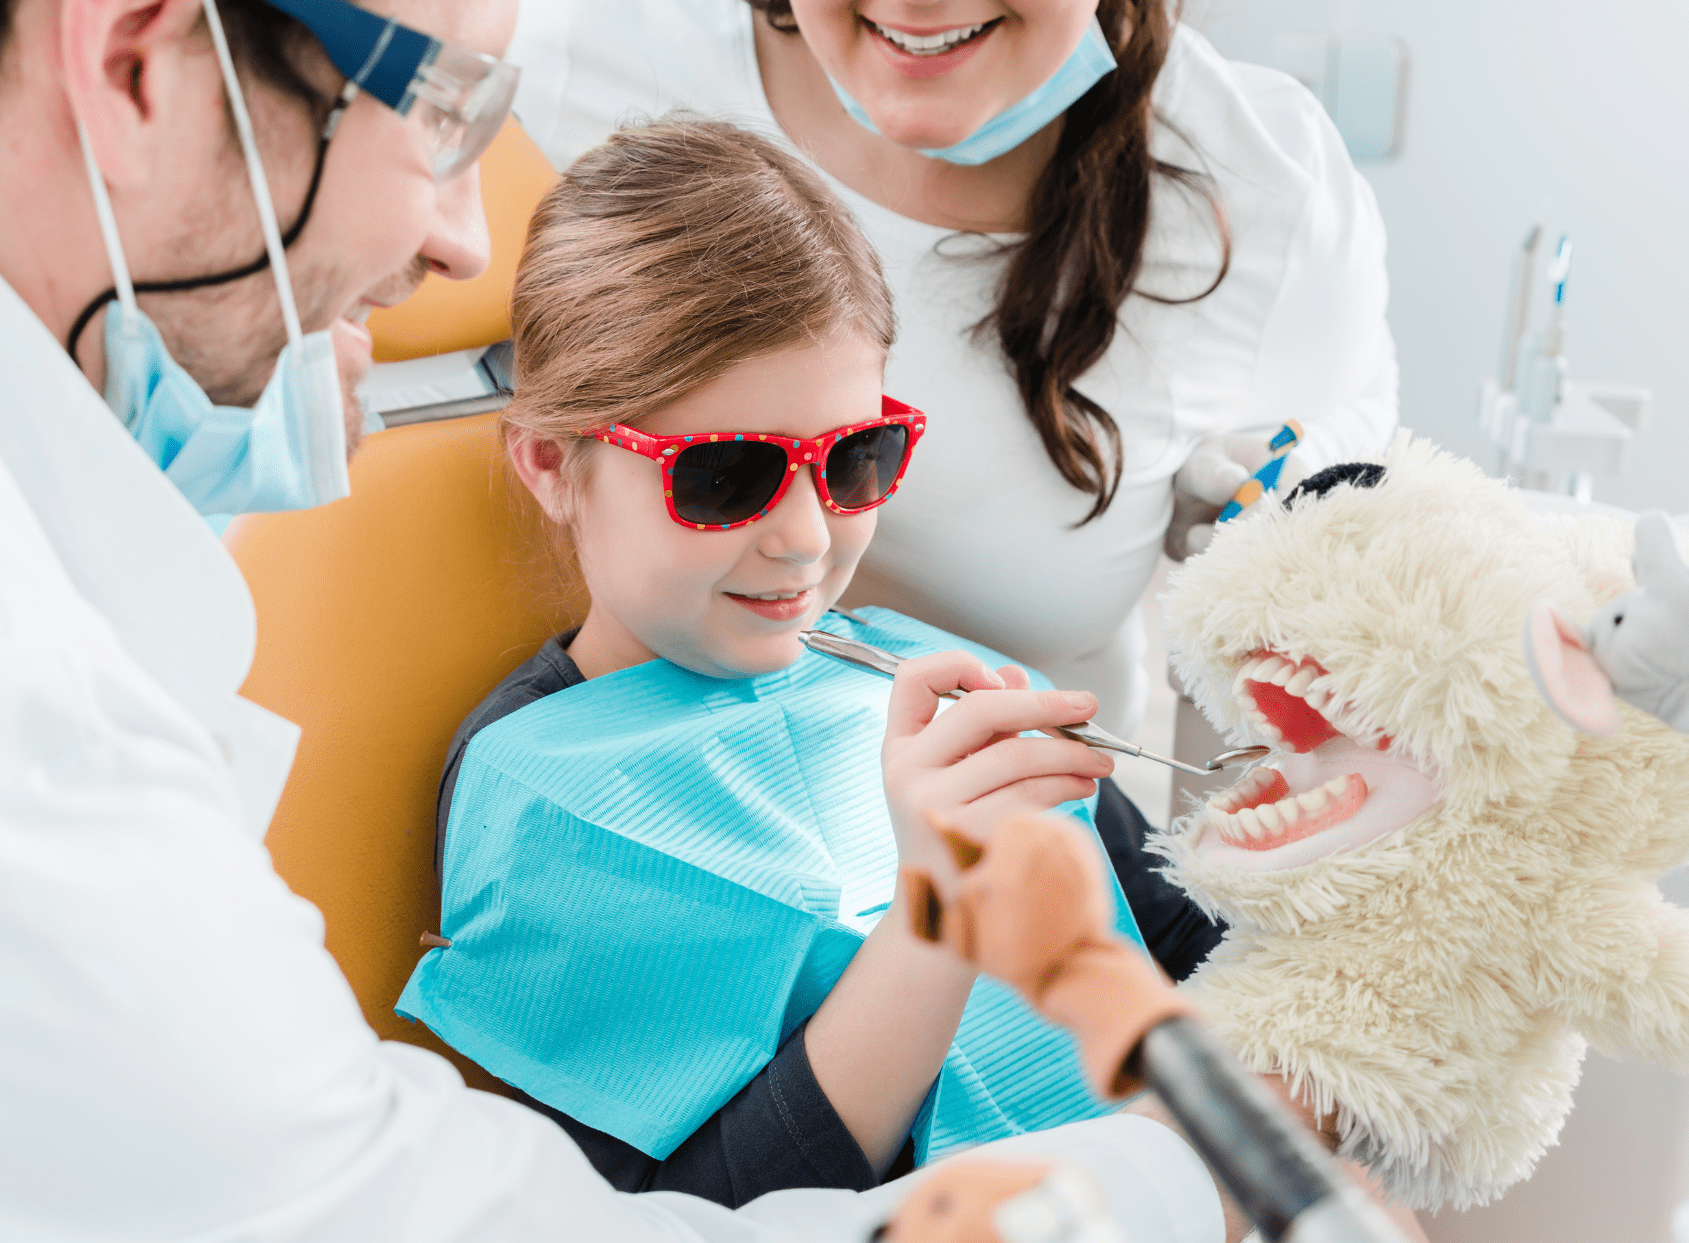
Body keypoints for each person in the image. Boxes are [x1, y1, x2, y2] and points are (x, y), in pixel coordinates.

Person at [0, 0, 1227, 1239]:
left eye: (855, 458)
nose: (463, 245)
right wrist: (1204, 1176)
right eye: (446, 108)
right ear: (133, 53)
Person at [396, 115, 1229, 1214]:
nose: (803, 539)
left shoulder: (927, 670)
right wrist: (938, 913)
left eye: (852, 458)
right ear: (551, 462)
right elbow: (677, 1222)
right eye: (724, 476)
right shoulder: (545, 792)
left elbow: (1201, 951)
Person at [502, 0, 1400, 740]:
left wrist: (1294, 516)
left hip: (1032, 820)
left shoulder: (1266, 194)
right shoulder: (569, 41)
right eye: (724, 473)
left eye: (861, 458)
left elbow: (1353, 466)